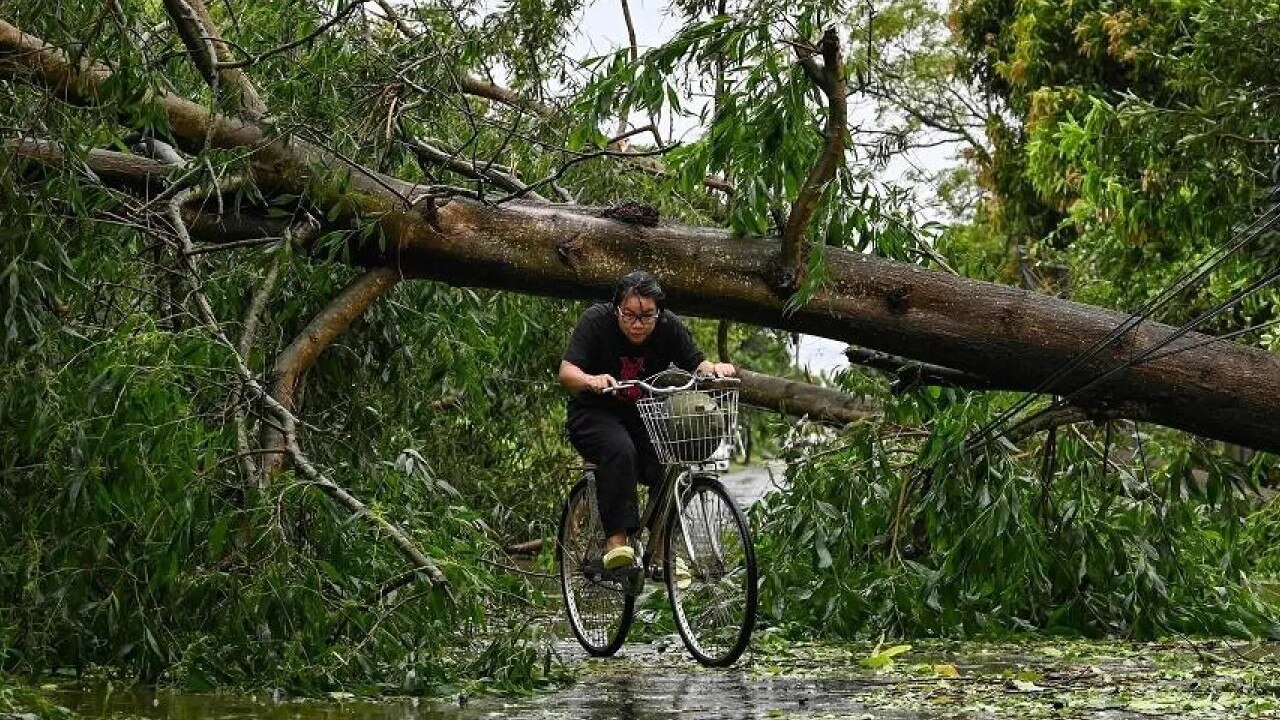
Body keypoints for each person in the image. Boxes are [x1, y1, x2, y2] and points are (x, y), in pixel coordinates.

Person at [558, 270, 735, 570]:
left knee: (668, 465)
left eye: (647, 316)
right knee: (619, 449)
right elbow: (567, 373)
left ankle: (661, 547)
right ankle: (616, 541)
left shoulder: (668, 326)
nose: (638, 324)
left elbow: (697, 362)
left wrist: (715, 369)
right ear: (617, 308)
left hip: (641, 415)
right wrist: (591, 379)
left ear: (658, 312)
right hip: (592, 413)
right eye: (629, 315)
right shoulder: (596, 321)